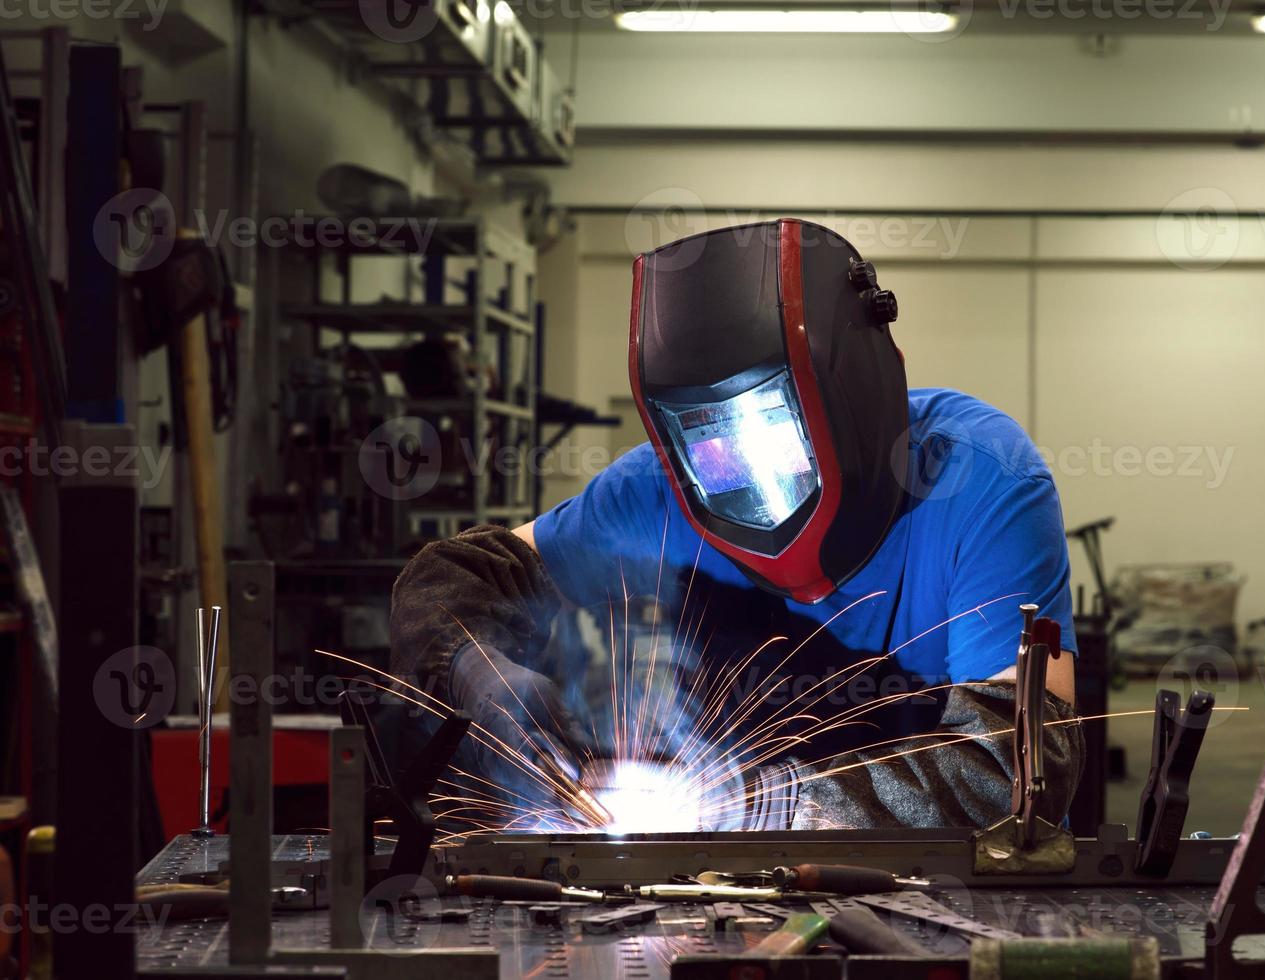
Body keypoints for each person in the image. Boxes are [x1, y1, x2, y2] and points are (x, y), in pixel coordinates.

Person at [389, 219, 1082, 832]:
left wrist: (761, 808)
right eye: (712, 446)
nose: (749, 474)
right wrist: (477, 673)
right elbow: (459, 573)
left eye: (778, 438)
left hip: (934, 880)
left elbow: (1019, 763)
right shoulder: (656, 486)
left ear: (858, 403)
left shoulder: (979, 479)